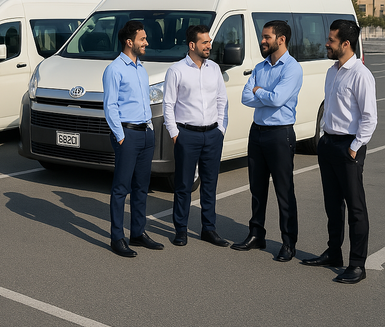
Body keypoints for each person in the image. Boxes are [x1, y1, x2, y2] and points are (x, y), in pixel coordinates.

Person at [300, 19, 376, 284]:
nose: (326, 44)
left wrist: (354, 148)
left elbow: (369, 118)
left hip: (348, 147)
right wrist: (323, 138)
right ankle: (334, 253)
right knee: (332, 205)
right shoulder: (332, 71)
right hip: (329, 144)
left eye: (331, 40)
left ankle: (357, 264)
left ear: (345, 43)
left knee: (355, 208)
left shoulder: (361, 75)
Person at [233, 20, 302, 262]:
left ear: (281, 39)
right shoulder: (260, 67)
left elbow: (277, 99)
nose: (262, 41)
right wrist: (265, 94)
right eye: (263, 37)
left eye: (266, 37)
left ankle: (288, 242)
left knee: (284, 191)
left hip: (280, 134)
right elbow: (245, 97)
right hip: (258, 132)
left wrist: (258, 91)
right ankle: (256, 234)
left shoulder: (292, 68)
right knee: (257, 188)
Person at [163, 25, 229, 247]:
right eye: (205, 42)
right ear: (192, 45)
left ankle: (209, 229)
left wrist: (221, 129)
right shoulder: (176, 70)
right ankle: (180, 230)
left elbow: (222, 100)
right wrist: (175, 134)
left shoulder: (214, 69)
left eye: (209, 42)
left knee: (210, 184)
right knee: (183, 185)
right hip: (187, 135)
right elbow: (168, 104)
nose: (209, 45)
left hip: (212, 135)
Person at [103, 20, 164, 257]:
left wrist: (150, 130)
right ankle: (117, 238)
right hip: (127, 134)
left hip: (146, 134)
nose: (146, 42)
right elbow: (110, 106)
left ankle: (137, 233)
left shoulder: (141, 68)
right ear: (129, 42)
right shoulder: (114, 69)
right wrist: (120, 136)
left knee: (142, 187)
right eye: (142, 39)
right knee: (121, 188)